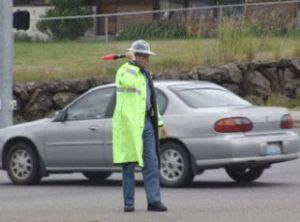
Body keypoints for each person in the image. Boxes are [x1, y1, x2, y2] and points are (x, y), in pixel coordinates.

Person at [112, 40, 168, 212]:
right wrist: (131, 63)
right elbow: (129, 82)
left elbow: (151, 101)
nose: (147, 60)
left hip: (146, 122)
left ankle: (154, 201)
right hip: (128, 124)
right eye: (144, 56)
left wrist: (159, 123)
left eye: (148, 57)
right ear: (136, 56)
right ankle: (129, 203)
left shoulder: (145, 74)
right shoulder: (124, 71)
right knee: (129, 164)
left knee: (151, 161)